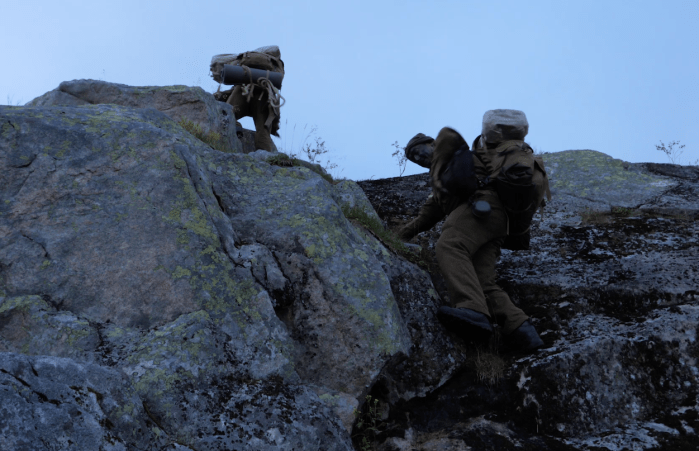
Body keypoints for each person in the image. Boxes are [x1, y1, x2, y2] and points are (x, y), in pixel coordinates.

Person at [397, 110, 544, 352]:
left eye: (418, 150)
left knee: (449, 245)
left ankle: (472, 309)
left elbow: (451, 141)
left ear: (432, 144)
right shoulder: (444, 181)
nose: (418, 157)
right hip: (496, 225)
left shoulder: (459, 159)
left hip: (481, 209)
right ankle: (522, 330)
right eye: (413, 158)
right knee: (483, 282)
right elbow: (427, 216)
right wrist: (398, 236)